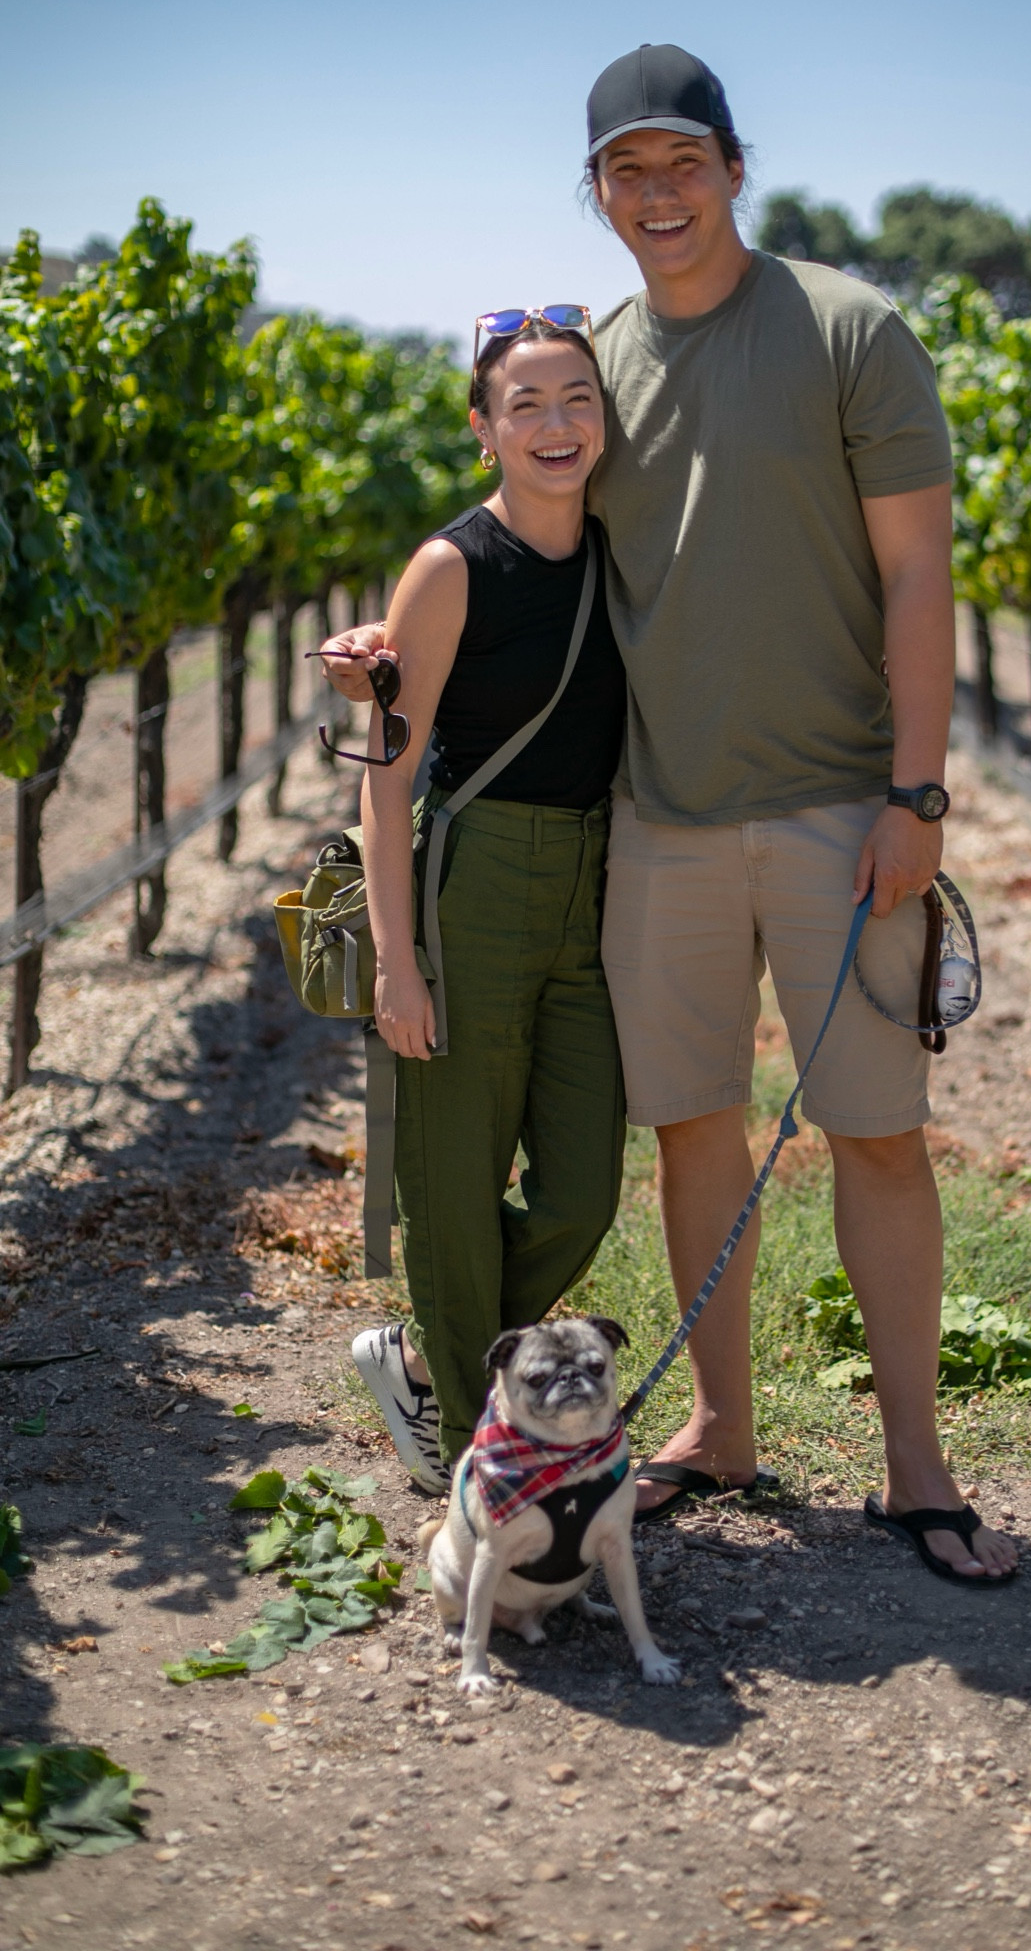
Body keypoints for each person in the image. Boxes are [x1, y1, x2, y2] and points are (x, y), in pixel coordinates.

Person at [326, 44, 1017, 1584]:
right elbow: (532, 531)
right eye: (625, 171)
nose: (656, 193)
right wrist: (394, 646)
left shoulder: (848, 329)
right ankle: (725, 1424)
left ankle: (916, 1471)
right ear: (596, 192)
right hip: (662, 828)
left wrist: (918, 789)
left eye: (681, 163)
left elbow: (918, 571)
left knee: (878, 1141)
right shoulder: (604, 364)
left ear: (733, 169)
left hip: (848, 811)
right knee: (692, 1133)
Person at [346, 315, 627, 1493]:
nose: (554, 425)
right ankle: (485, 1464)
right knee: (454, 1187)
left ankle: (419, 1346)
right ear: (483, 428)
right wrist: (397, 962)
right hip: (475, 883)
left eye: (576, 399)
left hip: (596, 883)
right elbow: (388, 775)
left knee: (582, 1187)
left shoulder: (624, 550)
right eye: (525, 404)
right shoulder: (451, 566)